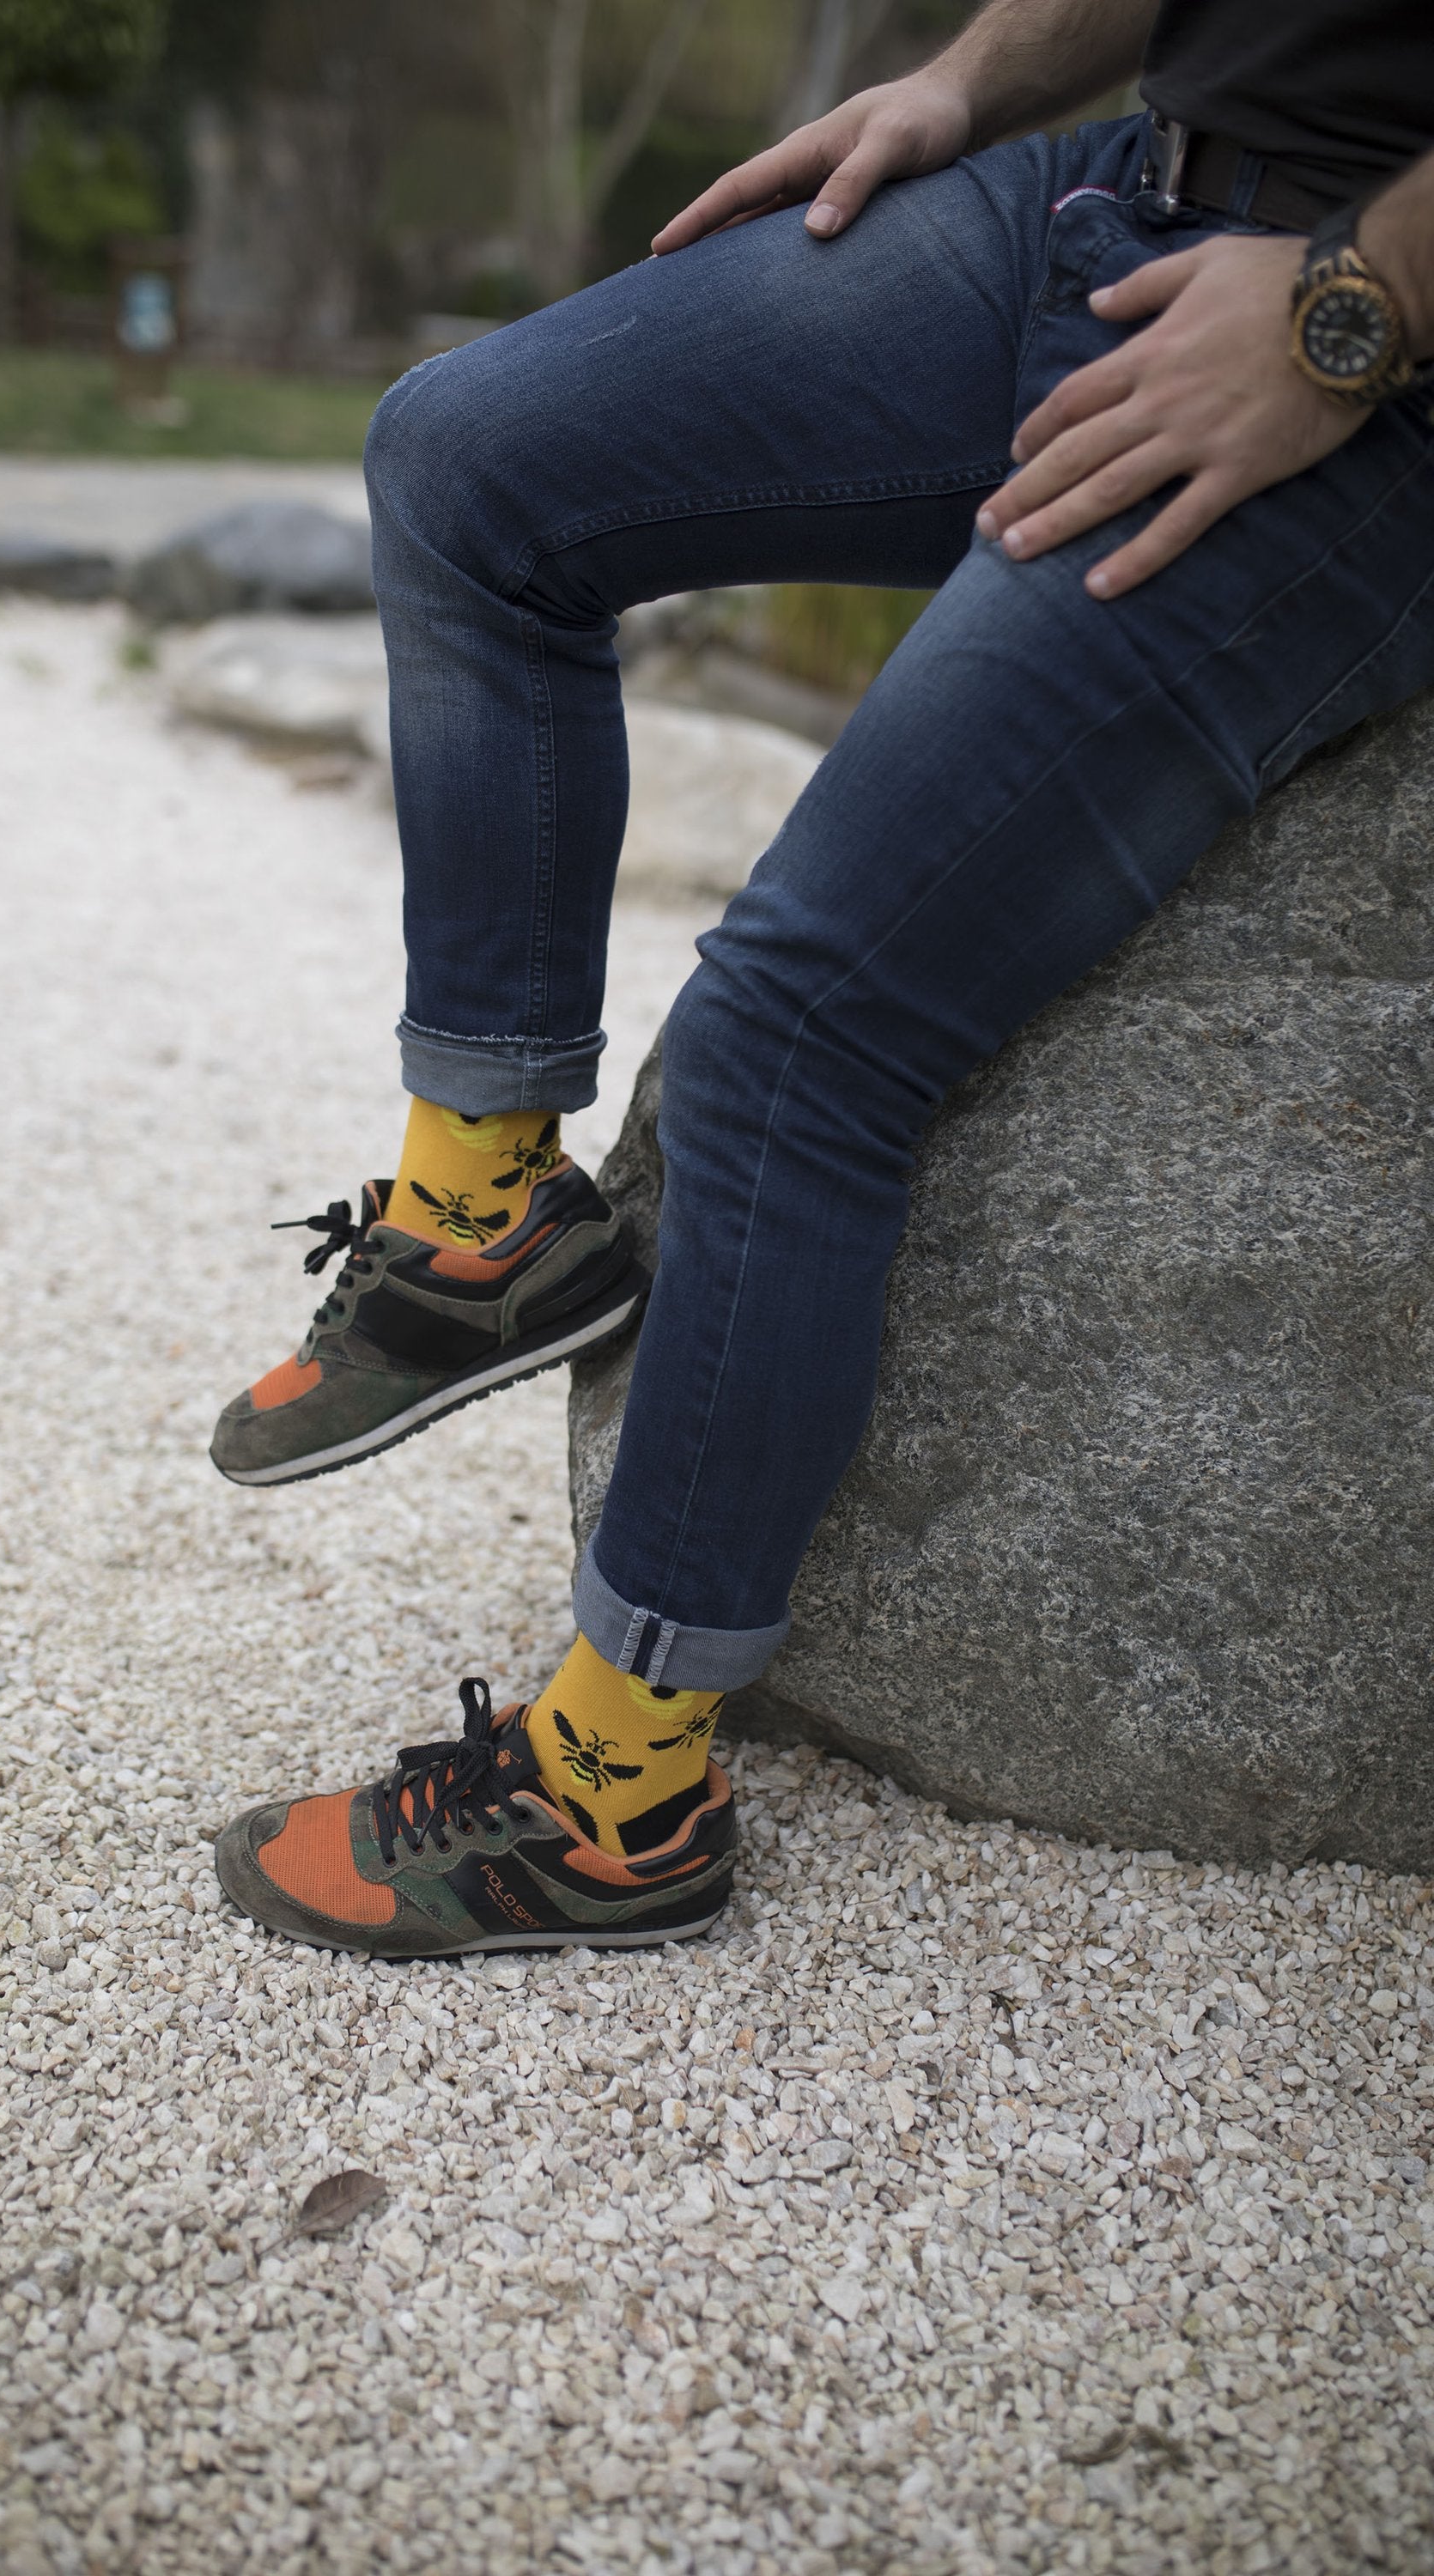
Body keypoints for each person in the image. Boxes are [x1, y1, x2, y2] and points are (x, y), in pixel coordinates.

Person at [207, 0, 1434, 1959]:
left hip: (1364, 353)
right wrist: (966, 84)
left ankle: (619, 1792)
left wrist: (1343, 319)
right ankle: (480, 1213)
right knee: (463, 464)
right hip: (1112, 202)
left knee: (795, 1030)